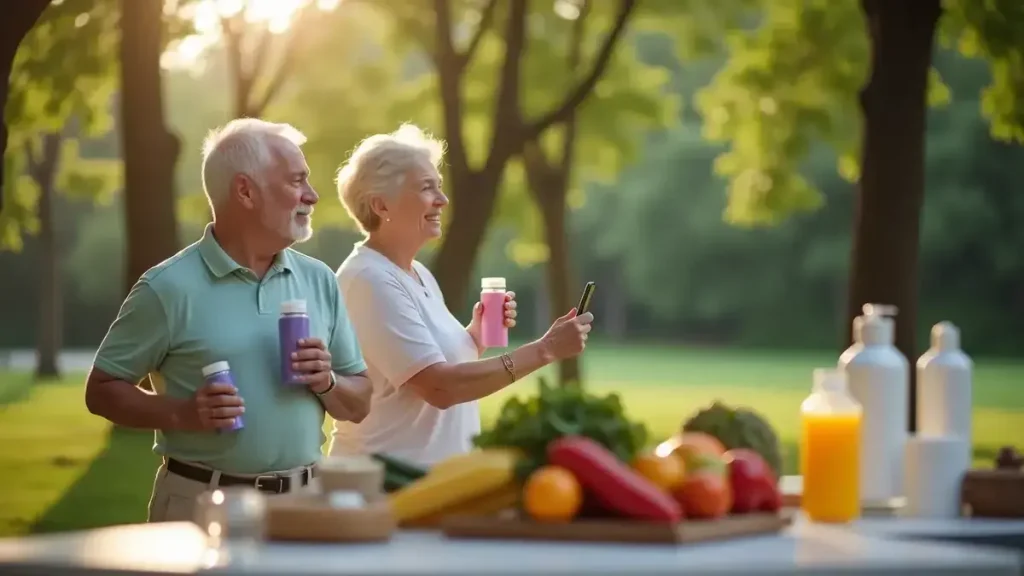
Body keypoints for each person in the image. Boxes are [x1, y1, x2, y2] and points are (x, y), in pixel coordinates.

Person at [85, 118, 372, 523]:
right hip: (200, 506)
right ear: (245, 191)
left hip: (305, 505)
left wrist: (327, 381)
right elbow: (101, 390)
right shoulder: (167, 287)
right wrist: (182, 414)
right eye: (296, 181)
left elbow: (359, 402)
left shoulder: (319, 279)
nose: (312, 195)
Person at [331, 123, 594, 466]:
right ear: (381, 205)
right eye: (427, 189)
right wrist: (544, 350)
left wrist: (475, 336)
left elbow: (430, 365)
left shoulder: (416, 273)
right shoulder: (368, 278)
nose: (443, 200)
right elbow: (440, 387)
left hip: (430, 490)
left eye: (439, 187)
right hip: (387, 492)